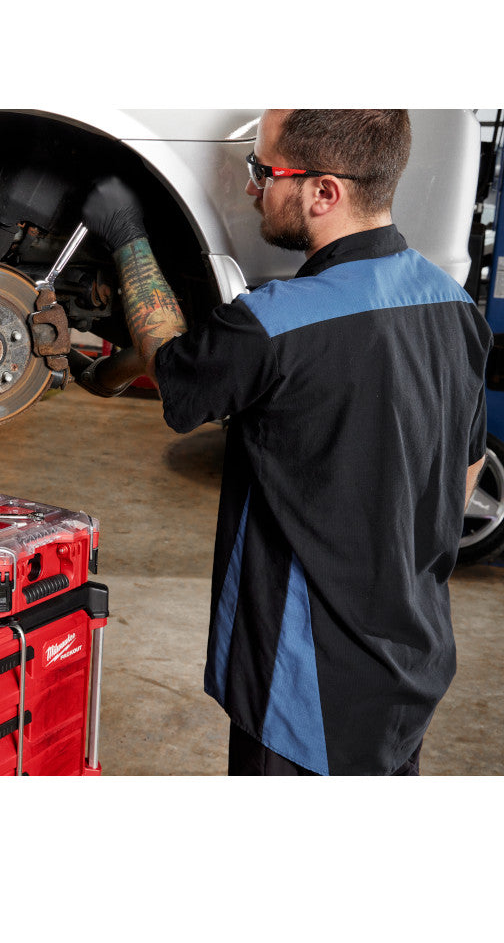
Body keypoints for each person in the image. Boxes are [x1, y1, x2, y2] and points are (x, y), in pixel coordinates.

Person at [82, 109, 493, 776]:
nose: (253, 187)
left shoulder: (276, 323)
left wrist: (129, 239)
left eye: (264, 170)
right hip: (411, 658)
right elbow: (464, 471)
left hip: (307, 685)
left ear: (324, 192)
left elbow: (177, 374)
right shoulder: (453, 305)